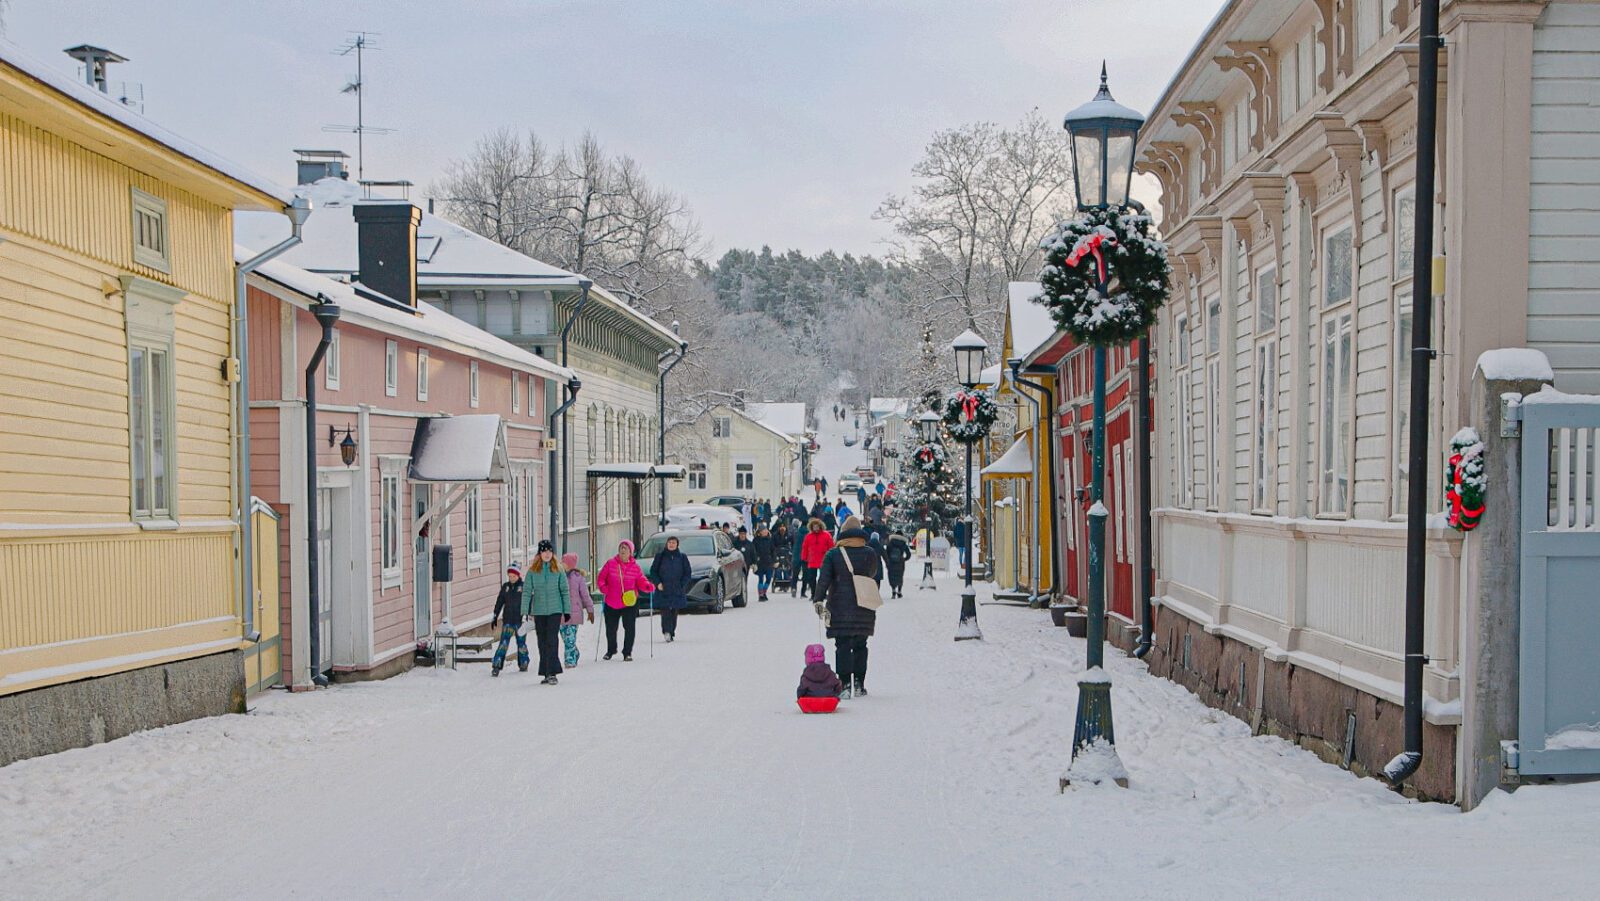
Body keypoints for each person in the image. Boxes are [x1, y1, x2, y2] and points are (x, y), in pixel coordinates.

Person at [813, 516, 881, 699]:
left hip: (839, 607)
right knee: (861, 645)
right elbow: (874, 573)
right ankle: (859, 683)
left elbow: (824, 580)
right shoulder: (870, 553)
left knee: (842, 645)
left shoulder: (833, 554)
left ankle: (844, 685)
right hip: (864, 605)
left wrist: (818, 600)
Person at [521, 540, 571, 685]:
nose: (547, 554)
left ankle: (553, 672)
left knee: (551, 639)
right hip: (539, 610)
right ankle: (546, 671)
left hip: (555, 610)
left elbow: (564, 590)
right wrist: (525, 611)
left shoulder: (558, 569)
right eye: (544, 551)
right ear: (540, 553)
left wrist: (566, 610)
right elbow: (526, 592)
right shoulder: (532, 571)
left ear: (553, 553)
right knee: (542, 641)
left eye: (550, 551)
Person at [597, 539, 654, 661]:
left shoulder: (635, 567)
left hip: (629, 601)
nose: (623, 550)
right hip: (612, 601)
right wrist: (603, 588)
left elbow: (641, 580)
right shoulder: (610, 563)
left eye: (625, 548)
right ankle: (611, 650)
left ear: (631, 552)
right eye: (621, 547)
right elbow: (601, 578)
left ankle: (627, 652)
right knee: (611, 628)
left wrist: (647, 586)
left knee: (629, 627)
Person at [647, 535, 692, 642]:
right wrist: (658, 583)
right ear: (666, 544)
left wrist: (682, 584)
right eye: (669, 543)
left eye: (673, 543)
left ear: (677, 545)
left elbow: (687, 573)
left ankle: (671, 631)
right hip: (663, 588)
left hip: (677, 588)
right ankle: (666, 631)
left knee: (674, 611)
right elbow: (653, 571)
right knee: (665, 610)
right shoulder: (660, 556)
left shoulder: (682, 557)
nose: (671, 545)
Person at [489, 561, 528, 676]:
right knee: (503, 644)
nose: (511, 578)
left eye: (514, 576)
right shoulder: (505, 587)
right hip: (508, 621)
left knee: (521, 644)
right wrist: (495, 615)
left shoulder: (523, 587)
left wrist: (528, 616)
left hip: (520, 621)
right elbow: (500, 602)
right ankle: (497, 665)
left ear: (518, 575)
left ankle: (523, 662)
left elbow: (528, 602)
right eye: (510, 576)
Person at [560, 553, 595, 668]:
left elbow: (585, 595)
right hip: (561, 613)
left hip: (574, 613)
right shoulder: (559, 576)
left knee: (570, 637)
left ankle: (570, 660)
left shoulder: (578, 578)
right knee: (565, 637)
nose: (561, 564)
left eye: (563, 562)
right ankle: (574, 652)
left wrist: (590, 610)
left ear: (569, 564)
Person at [800, 517, 834, 601]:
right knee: (811, 579)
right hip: (812, 560)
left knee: (823, 579)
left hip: (824, 560)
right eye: (814, 526)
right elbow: (805, 547)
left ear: (820, 526)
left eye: (817, 526)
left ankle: (823, 594)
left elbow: (831, 547)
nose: (816, 528)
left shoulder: (826, 535)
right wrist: (804, 557)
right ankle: (813, 593)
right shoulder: (808, 536)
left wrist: (831, 557)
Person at [884, 529, 912, 599]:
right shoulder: (903, 543)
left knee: (892, 576)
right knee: (900, 576)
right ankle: (899, 591)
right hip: (900, 562)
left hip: (891, 562)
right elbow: (908, 554)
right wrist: (904, 559)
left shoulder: (890, 543)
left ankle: (893, 590)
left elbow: (886, 553)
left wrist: (888, 561)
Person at [752, 524, 777, 601]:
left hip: (768, 562)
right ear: (760, 532)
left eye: (766, 530)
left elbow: (773, 551)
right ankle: (761, 595)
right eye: (764, 530)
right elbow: (753, 551)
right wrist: (755, 561)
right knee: (761, 579)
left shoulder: (769, 540)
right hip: (760, 562)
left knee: (769, 578)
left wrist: (774, 560)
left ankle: (764, 592)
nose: (766, 531)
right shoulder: (756, 540)